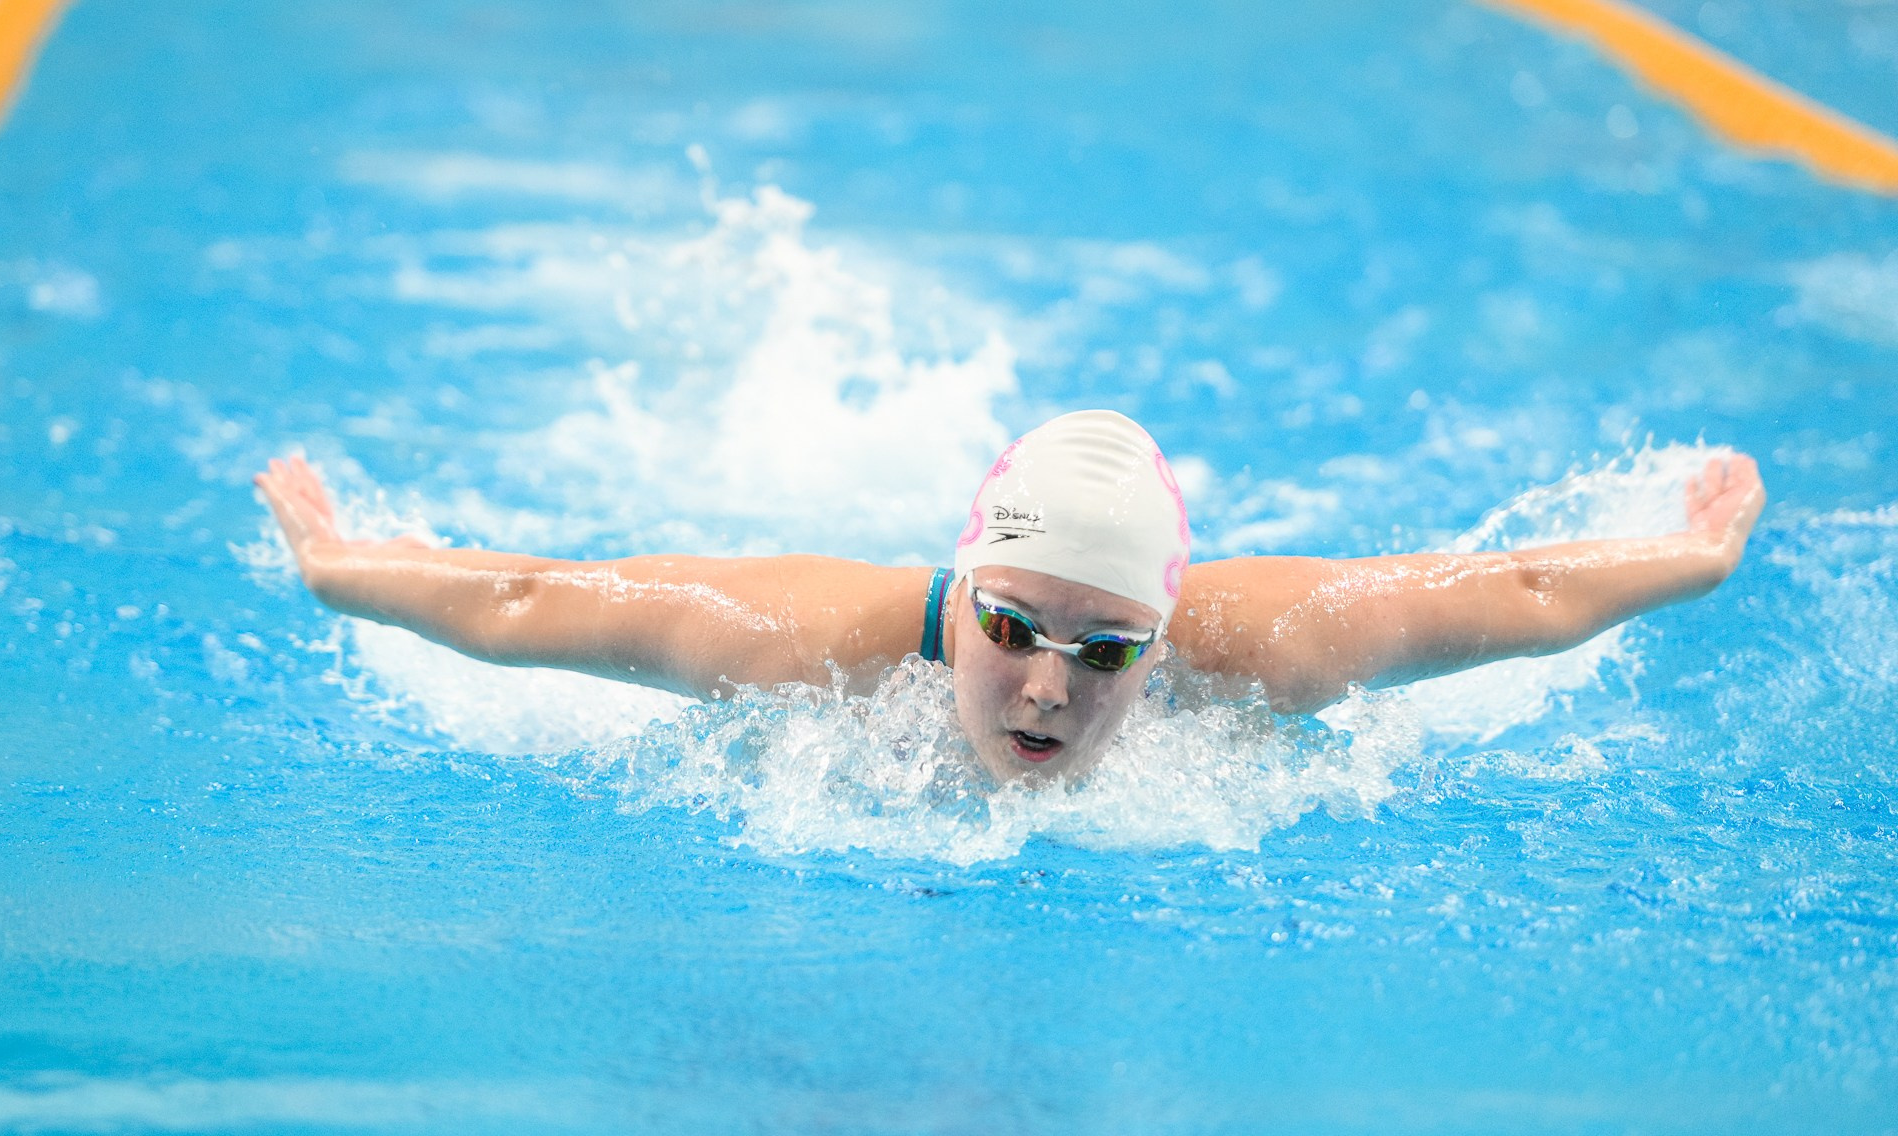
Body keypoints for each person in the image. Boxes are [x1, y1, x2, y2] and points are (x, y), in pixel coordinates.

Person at [255, 409, 1766, 784]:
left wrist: (1682, 563)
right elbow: (533, 600)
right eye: (1012, 629)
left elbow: (1506, 592)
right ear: (962, 592)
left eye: (1108, 649)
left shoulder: (1275, 649)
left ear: (1165, 636)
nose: (1048, 685)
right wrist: (350, 572)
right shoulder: (810, 644)